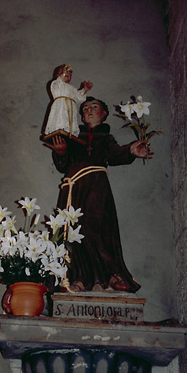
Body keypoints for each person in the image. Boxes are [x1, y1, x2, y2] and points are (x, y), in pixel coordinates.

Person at [50, 96, 153, 292]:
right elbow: (63, 166)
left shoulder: (106, 138)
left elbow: (114, 154)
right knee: (72, 231)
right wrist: (61, 152)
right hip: (73, 188)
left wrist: (131, 151)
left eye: (94, 107)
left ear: (103, 114)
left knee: (94, 228)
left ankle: (109, 276)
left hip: (96, 185)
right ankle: (78, 279)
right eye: (85, 108)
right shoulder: (74, 137)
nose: (88, 110)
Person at [44, 64, 93, 138]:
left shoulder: (72, 88)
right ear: (58, 75)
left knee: (70, 120)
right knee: (61, 117)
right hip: (61, 105)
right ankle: (58, 130)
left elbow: (78, 97)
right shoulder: (56, 84)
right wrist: (64, 73)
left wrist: (85, 89)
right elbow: (59, 81)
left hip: (71, 107)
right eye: (65, 74)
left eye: (70, 75)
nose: (67, 75)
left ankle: (69, 132)